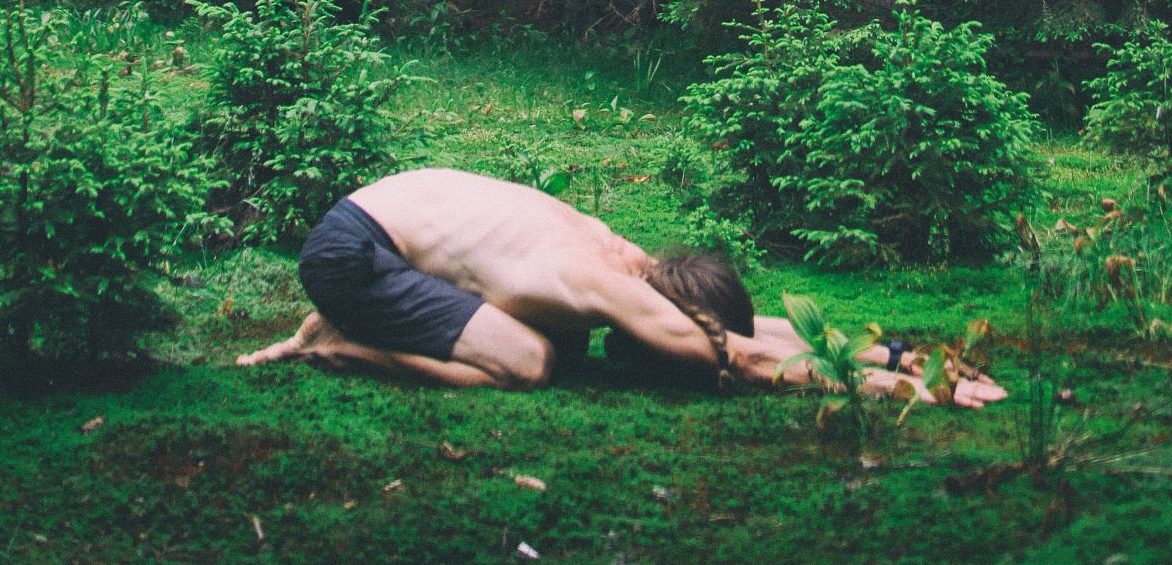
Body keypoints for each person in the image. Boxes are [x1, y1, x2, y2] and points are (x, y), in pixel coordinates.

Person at [237, 169, 1006, 407]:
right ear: (665, 309)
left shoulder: (629, 261)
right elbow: (738, 358)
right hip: (352, 255)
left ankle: (348, 325)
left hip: (384, 226)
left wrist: (901, 352)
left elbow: (744, 330)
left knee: (559, 346)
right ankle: (341, 342)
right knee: (532, 362)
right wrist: (915, 391)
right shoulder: (600, 280)